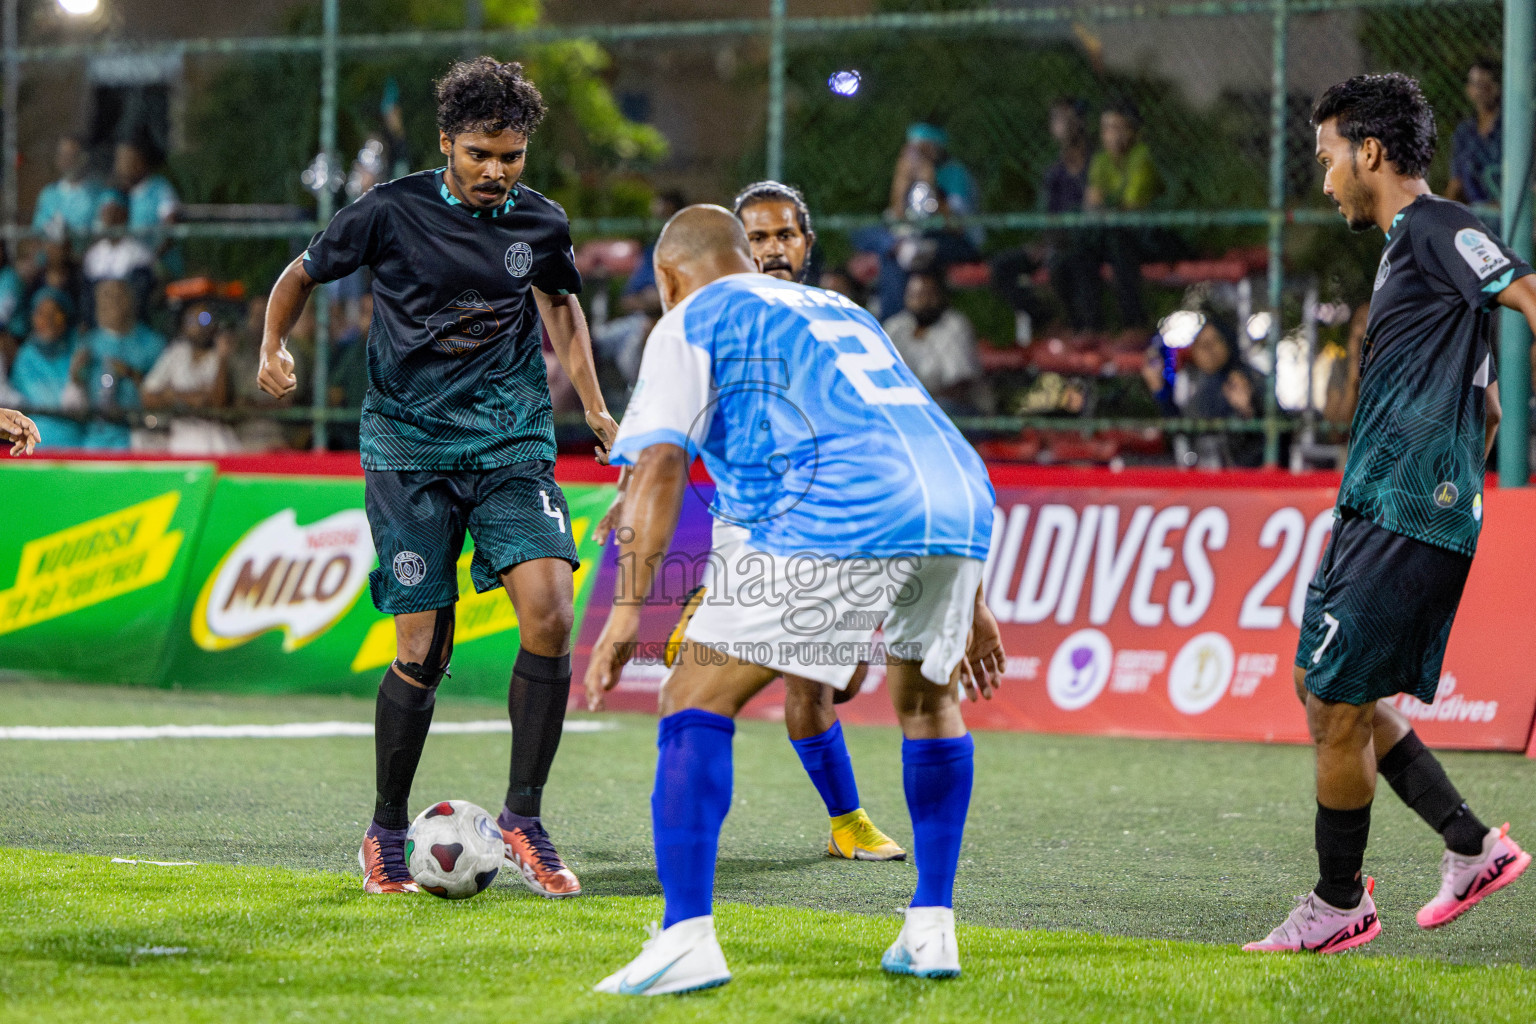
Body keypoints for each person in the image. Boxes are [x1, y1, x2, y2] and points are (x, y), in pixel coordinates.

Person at [583, 206, 1004, 994]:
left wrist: (624, 617)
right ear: (746, 255)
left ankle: (685, 939)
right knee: (927, 703)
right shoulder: (839, 306)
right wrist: (973, 597)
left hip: (845, 511)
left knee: (691, 694)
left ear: (671, 277)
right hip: (961, 499)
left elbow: (662, 470)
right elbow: (908, 427)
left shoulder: (686, 321)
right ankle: (931, 929)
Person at [256, 57, 617, 898]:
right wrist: (272, 345)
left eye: (513, 156)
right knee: (421, 644)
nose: (497, 172)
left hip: (509, 444)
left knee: (553, 614)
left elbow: (561, 304)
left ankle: (524, 819)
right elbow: (300, 273)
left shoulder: (542, 223)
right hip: (408, 448)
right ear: (447, 143)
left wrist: (595, 406)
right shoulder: (388, 211)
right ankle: (385, 830)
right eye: (481, 154)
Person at [1245, 73, 1532, 955]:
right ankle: (1469, 843)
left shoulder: (1443, 227)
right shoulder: (1417, 243)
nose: (1326, 177)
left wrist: (1440, 484)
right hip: (1385, 505)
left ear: (1370, 152)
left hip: (1406, 512)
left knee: (1335, 704)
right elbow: (1482, 407)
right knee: (1325, 687)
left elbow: (1526, 292)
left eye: (1330, 157)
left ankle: (1338, 906)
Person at [608, 179, 907, 862]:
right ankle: (844, 822)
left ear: (807, 243)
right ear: (736, 249)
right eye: (758, 238)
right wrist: (630, 492)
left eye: (785, 235)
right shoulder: (707, 318)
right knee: (712, 693)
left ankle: (836, 826)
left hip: (836, 528)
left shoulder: (835, 317)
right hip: (753, 531)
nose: (773, 249)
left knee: (836, 684)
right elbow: (663, 430)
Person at [1085, 103, 1162, 328]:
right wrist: (1104, 211)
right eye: (1107, 128)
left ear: (1133, 131)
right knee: (1078, 249)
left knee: (1118, 243)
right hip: (1116, 236)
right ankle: (1088, 327)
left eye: (1119, 127)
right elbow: (1092, 205)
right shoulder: (1101, 160)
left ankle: (1135, 324)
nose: (1112, 135)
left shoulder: (1142, 158)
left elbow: (1130, 210)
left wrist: (1105, 210)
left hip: (1149, 238)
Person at [73, 278, 165, 450]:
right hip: (94, 440)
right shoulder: (87, 344)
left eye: (118, 296)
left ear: (132, 301)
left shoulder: (153, 344)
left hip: (140, 438)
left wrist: (132, 373)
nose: (111, 302)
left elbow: (163, 395)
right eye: (105, 296)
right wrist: (76, 374)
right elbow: (74, 397)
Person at [882, 269, 988, 414]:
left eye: (929, 294)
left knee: (940, 408)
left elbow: (959, 386)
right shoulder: (894, 327)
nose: (923, 301)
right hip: (908, 407)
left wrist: (919, 404)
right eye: (916, 295)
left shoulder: (955, 325)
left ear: (942, 296)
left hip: (958, 409)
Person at [141, 300, 238, 454]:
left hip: (216, 441)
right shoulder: (176, 353)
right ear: (183, 325)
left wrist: (223, 358)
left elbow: (218, 404)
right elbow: (148, 397)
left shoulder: (221, 357)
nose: (199, 326)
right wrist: (187, 397)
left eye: (204, 319)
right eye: (192, 320)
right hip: (180, 438)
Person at [7, 290, 82, 449]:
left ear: (66, 316)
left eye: (55, 312)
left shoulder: (79, 350)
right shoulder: (26, 357)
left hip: (77, 443)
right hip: (35, 445)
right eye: (41, 313)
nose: (48, 320)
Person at [1445, 59, 1501, 209]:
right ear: (1469, 89)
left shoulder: (1513, 130)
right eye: (1477, 85)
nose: (1482, 91)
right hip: (1477, 211)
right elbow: (1456, 183)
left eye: (1487, 85)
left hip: (1508, 211)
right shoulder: (1464, 133)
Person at [32, 136, 105, 239]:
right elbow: (38, 230)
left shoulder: (99, 194)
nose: (66, 161)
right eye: (63, 155)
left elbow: (100, 230)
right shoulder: (49, 194)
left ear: (84, 158)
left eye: (72, 156)